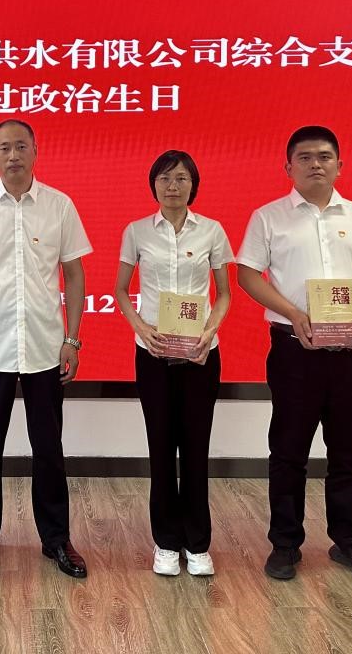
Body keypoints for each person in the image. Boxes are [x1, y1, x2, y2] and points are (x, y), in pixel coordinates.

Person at [235, 126, 352, 584]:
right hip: (294, 350)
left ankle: (349, 541)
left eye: (324, 156)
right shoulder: (268, 217)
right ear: (288, 167)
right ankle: (285, 543)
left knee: (349, 449)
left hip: (349, 351)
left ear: (339, 165)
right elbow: (247, 274)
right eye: (304, 157)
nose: (315, 164)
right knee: (288, 450)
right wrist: (292, 312)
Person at [0, 119, 92, 579]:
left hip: (46, 346)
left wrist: (72, 338)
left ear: (35, 151)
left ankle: (56, 539)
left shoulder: (59, 205)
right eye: (5, 147)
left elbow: (74, 274)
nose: (13, 155)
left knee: (49, 448)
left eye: (21, 146)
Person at [114, 150, 232, 578]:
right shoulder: (137, 231)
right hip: (154, 356)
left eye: (181, 178)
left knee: (196, 450)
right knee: (161, 449)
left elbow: (225, 293)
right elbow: (121, 290)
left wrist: (209, 331)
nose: (173, 186)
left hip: (200, 355)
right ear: (154, 185)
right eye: (164, 178)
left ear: (193, 184)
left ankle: (197, 544)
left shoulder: (212, 231)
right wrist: (141, 328)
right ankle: (166, 542)